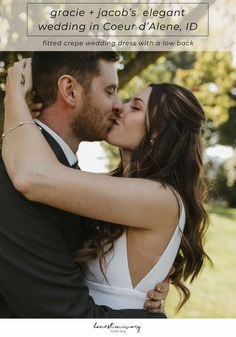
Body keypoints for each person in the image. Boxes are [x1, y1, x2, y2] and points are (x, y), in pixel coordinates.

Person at [2, 56, 210, 314]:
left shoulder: (159, 198)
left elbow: (33, 176)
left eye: (134, 107)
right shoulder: (113, 188)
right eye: (112, 92)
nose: (119, 107)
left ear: (158, 134)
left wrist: (15, 101)